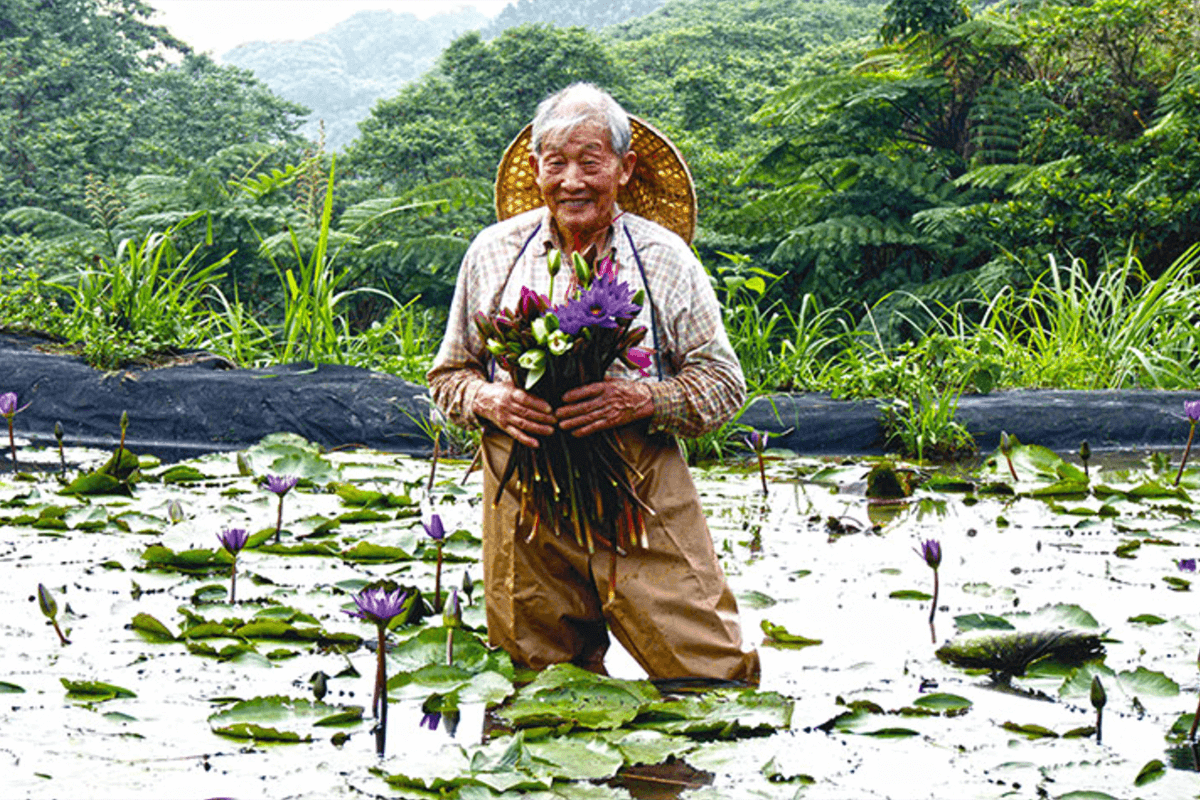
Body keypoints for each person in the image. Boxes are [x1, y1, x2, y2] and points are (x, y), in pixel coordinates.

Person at [427, 82, 760, 684]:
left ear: (626, 168)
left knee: (710, 674)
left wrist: (640, 398)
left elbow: (724, 383)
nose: (572, 180)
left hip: (637, 485)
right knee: (536, 682)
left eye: (591, 161)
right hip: (525, 490)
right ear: (535, 169)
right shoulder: (494, 254)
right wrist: (490, 398)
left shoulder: (664, 259)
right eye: (556, 163)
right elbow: (450, 376)